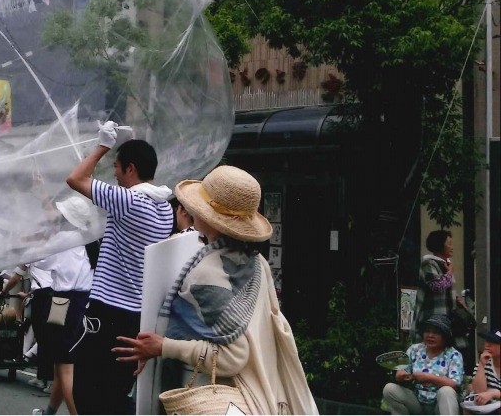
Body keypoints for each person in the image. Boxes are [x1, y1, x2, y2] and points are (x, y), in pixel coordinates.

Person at [112, 165, 318, 416]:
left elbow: (233, 357)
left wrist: (163, 346)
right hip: (264, 393)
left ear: (210, 217)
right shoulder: (256, 262)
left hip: (214, 398)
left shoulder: (207, 274)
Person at [65, 128, 173, 415]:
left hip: (107, 312)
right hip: (136, 317)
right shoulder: (164, 209)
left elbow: (75, 178)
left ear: (131, 169)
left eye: (116, 166)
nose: (113, 173)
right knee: (113, 393)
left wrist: (103, 145)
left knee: (87, 394)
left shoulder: (129, 201)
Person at [27, 245, 93, 416]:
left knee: (65, 367)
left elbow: (39, 260)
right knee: (61, 365)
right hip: (83, 301)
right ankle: (49, 412)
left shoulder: (67, 244)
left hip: (63, 302)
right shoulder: (89, 245)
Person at [383, 315, 464, 415]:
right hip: (416, 401)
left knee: (447, 391)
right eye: (427, 331)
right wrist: (401, 374)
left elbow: (454, 384)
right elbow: (401, 372)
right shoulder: (414, 349)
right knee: (389, 389)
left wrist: (429, 378)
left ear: (445, 336)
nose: (430, 335)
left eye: (436, 332)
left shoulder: (453, 355)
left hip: (439, 405)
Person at [415, 231, 458, 343]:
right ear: (440, 245)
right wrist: (449, 273)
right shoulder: (428, 264)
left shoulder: (445, 264)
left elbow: (447, 291)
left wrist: (457, 299)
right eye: (449, 244)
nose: (452, 247)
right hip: (432, 319)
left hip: (446, 318)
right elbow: (437, 286)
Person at [464, 326, 501, 414]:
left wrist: (494, 393)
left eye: (494, 342)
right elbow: (479, 391)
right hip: (489, 407)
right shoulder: (484, 362)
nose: (488, 345)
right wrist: (481, 364)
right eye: (487, 341)